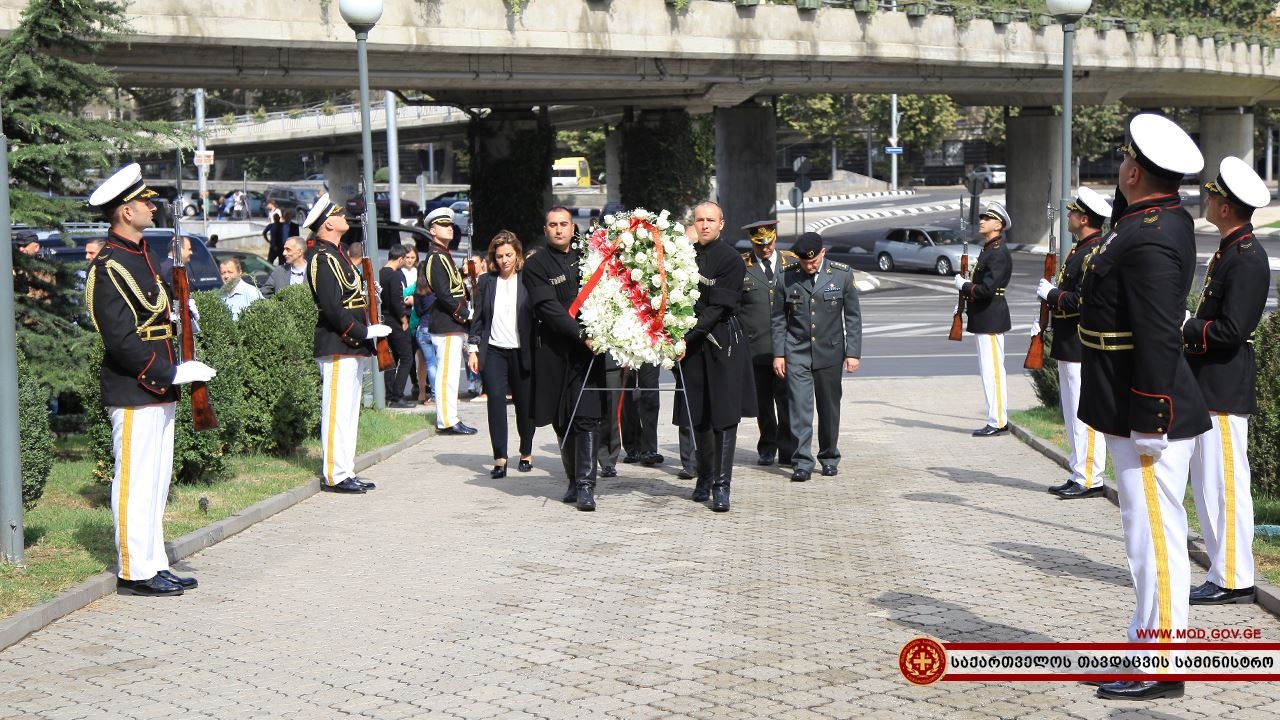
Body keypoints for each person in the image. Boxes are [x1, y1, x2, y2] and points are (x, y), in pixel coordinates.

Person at [1078, 113, 1209, 701]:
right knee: (1145, 534)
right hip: (1127, 397)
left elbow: (1158, 333)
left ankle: (1161, 665)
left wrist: (1151, 417)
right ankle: (1144, 648)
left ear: (1132, 170)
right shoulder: (1144, 221)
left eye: (1123, 162)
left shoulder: (1151, 231)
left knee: (1154, 537)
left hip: (1145, 407)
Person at [84, 162, 217, 596]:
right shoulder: (108, 266)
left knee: (156, 481)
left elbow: (157, 313)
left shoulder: (144, 256)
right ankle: (132, 569)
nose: (152, 206)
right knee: (134, 481)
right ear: (124, 211)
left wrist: (182, 313)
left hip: (161, 386)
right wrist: (169, 371)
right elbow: (120, 340)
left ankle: (153, 561)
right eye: (144, 201)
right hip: (135, 386)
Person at [1184, 156, 1271, 607]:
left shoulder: (1248, 257)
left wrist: (1187, 328)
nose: (1208, 198)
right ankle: (1222, 569)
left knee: (1225, 487)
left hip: (1224, 381)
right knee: (1207, 486)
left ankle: (1235, 577)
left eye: (1213, 194)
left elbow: (1231, 331)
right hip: (1210, 382)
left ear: (1226, 206)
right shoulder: (1228, 250)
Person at [303, 193, 391, 494]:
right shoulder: (322, 258)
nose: (344, 217)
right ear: (328, 223)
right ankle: (333, 474)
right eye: (339, 213)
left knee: (349, 413)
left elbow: (351, 295)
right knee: (337, 412)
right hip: (338, 343)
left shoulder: (337, 254)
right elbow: (331, 308)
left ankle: (345, 469)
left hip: (351, 345)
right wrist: (363, 332)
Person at [525, 206, 607, 511]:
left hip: (588, 353)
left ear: (574, 227)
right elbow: (548, 308)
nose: (559, 230)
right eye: (552, 225)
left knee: (587, 416)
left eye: (564, 224)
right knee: (563, 420)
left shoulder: (590, 257)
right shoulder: (536, 266)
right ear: (545, 230)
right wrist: (580, 333)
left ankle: (587, 486)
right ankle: (573, 479)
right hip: (553, 350)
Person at [677, 201, 755, 512]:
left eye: (711, 220)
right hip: (692, 345)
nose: (705, 225)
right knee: (698, 416)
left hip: (722, 341)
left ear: (722, 223)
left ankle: (722, 486)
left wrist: (685, 338)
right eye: (700, 220)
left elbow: (716, 309)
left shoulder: (730, 259)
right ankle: (704, 478)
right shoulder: (685, 257)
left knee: (723, 417)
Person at [1037, 186, 1111, 499]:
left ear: (1083, 218)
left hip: (1082, 343)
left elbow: (1084, 301)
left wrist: (1052, 295)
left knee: (1085, 412)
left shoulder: (1093, 252)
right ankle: (1078, 469)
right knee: (1072, 414)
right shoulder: (1080, 248)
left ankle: (1091, 476)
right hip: (1069, 342)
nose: (1068, 216)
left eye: (1072, 212)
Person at [771, 232, 862, 483]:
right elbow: (778, 318)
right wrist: (779, 353)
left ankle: (829, 456)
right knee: (800, 408)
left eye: (812, 262)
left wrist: (852, 353)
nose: (809, 267)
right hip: (796, 351)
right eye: (804, 262)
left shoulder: (842, 274)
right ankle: (802, 461)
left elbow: (853, 317)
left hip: (830, 352)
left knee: (829, 408)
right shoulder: (787, 276)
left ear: (823, 253)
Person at [467, 230, 536, 479]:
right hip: (494, 350)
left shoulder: (528, 279)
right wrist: (472, 349)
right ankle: (500, 458)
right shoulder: (486, 282)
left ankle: (526, 452)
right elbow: (478, 319)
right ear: (493, 258)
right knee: (495, 400)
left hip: (522, 350)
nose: (504, 260)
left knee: (524, 404)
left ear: (517, 255)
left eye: (508, 255)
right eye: (499, 256)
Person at [740, 218, 798, 467]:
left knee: (787, 401)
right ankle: (767, 446)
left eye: (769, 242)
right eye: (759, 244)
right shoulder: (742, 265)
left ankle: (788, 449)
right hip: (756, 348)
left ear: (775, 238)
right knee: (763, 403)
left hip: (786, 347)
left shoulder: (792, 262)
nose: (765, 248)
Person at [953, 202, 1013, 437]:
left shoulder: (997, 252)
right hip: (986, 316)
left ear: (998, 225)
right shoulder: (990, 249)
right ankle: (997, 418)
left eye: (987, 218)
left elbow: (987, 290)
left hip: (991, 317)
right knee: (988, 370)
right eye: (982, 218)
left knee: (993, 372)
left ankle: (997, 421)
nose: (982, 221)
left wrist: (965, 286)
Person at [422, 206, 476, 435]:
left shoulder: (443, 255)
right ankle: (446, 420)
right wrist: (465, 314)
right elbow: (444, 294)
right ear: (433, 230)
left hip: (450, 324)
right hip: (446, 323)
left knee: (452, 373)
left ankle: (450, 416)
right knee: (447, 373)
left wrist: (463, 274)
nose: (450, 228)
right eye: (444, 225)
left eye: (450, 225)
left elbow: (452, 287)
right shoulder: (436, 257)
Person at [378, 244, 415, 408]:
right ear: (400, 259)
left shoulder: (379, 273)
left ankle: (389, 394)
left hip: (383, 319)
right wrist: (403, 319)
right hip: (395, 320)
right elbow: (396, 300)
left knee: (391, 359)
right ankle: (397, 395)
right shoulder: (394, 276)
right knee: (407, 357)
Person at [218, 257, 263, 321]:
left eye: (230, 272)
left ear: (240, 273)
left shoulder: (252, 292)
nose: (226, 276)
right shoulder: (221, 294)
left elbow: (262, 319)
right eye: (223, 273)